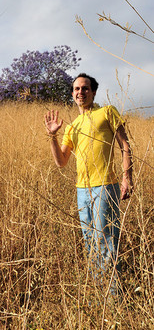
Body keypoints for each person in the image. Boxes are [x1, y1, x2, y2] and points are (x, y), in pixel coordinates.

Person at [44, 73, 133, 296]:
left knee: (106, 240)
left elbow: (125, 146)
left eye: (85, 88)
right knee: (90, 243)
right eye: (76, 89)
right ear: (72, 94)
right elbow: (61, 162)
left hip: (105, 185)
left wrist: (127, 177)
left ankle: (113, 298)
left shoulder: (107, 112)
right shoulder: (72, 126)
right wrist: (52, 137)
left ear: (93, 92)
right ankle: (98, 293)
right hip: (82, 190)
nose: (80, 92)